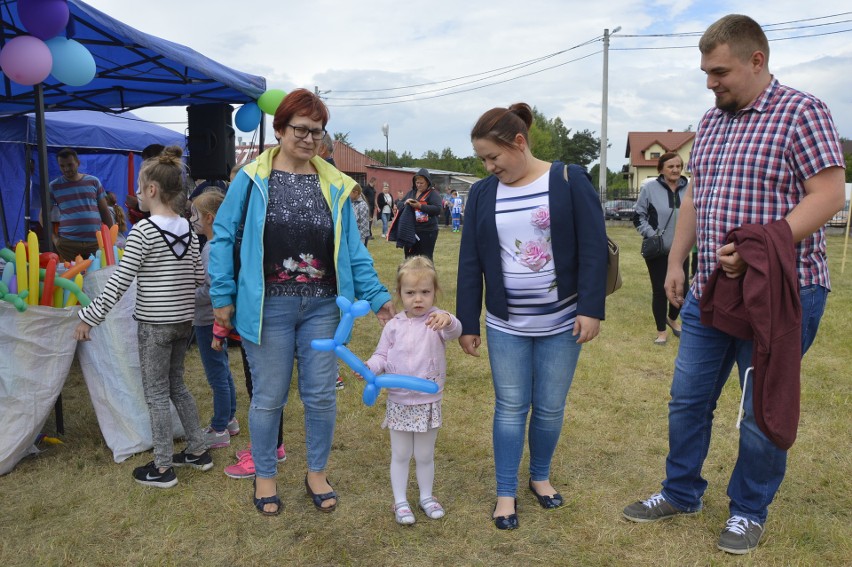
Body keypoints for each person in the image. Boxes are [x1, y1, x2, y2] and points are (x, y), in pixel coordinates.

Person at [622, 15, 846, 555]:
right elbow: (697, 199)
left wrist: (757, 246)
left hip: (780, 293)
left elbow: (829, 194)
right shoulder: (713, 120)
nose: (710, 82)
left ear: (756, 60)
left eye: (719, 71)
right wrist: (678, 263)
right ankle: (680, 492)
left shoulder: (802, 112)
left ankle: (748, 510)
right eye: (705, 72)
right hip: (708, 290)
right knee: (687, 399)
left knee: (759, 407)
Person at [208, 88, 394, 516]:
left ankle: (316, 472)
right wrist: (222, 294)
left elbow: (353, 252)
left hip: (323, 308)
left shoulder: (335, 184)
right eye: (301, 130)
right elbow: (222, 237)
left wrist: (378, 297)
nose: (310, 139)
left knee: (321, 397)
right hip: (266, 307)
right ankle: (266, 476)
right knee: (269, 397)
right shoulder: (250, 178)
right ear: (279, 129)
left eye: (318, 131)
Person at [457, 103, 608, 530]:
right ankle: (506, 492)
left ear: (519, 143)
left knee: (548, 408)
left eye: (493, 157)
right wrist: (469, 322)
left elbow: (594, 247)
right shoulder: (483, 193)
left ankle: (539, 476)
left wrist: (591, 309)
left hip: (562, 323)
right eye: (482, 159)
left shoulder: (568, 179)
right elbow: (471, 260)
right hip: (506, 325)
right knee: (510, 407)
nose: (488, 166)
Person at [72, 146, 211, 488]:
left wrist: (89, 317)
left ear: (152, 191)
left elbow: (119, 282)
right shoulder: (189, 232)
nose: (135, 195)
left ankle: (163, 467)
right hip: (183, 322)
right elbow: (197, 278)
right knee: (177, 385)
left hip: (155, 325)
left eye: (137, 189)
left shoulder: (144, 232)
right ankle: (197, 450)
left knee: (155, 393)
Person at [363, 256, 461, 525]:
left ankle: (426, 497)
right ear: (400, 294)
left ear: (435, 292)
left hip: (428, 401)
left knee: (425, 455)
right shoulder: (393, 325)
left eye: (425, 292)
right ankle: (401, 501)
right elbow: (381, 355)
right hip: (399, 401)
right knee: (402, 454)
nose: (418, 299)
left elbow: (455, 330)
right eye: (410, 293)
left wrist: (448, 319)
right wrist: (370, 367)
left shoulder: (436, 322)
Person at [190, 189, 239, 450]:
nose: (191, 219)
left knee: (216, 375)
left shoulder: (211, 249)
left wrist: (185, 292)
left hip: (209, 320)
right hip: (213, 320)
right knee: (223, 371)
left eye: (194, 215)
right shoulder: (217, 243)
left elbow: (211, 290)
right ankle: (229, 418)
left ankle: (219, 427)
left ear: (208, 217)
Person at [633, 152, 689, 345]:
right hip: (658, 251)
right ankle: (661, 331)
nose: (675, 170)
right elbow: (638, 216)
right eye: (670, 167)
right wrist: (652, 235)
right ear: (661, 169)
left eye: (678, 166)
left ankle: (673, 319)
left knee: (683, 289)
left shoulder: (690, 188)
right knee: (659, 290)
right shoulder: (649, 188)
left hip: (682, 249)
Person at [48, 148, 114, 261]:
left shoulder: (93, 181)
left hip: (95, 241)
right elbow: (43, 215)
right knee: (72, 276)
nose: (66, 169)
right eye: (62, 166)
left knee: (96, 274)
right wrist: (54, 239)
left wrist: (111, 238)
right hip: (68, 244)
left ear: (78, 163)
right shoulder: (54, 186)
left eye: (70, 164)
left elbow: (104, 211)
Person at [393, 168, 443, 260]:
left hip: (427, 232)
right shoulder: (411, 193)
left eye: (421, 183)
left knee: (425, 258)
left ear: (427, 182)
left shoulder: (433, 194)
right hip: (411, 230)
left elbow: (438, 209)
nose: (419, 185)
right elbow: (399, 204)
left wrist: (420, 206)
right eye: (417, 182)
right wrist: (405, 203)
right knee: (409, 258)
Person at [125, 144, 164, 227]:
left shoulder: (165, 179)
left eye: (146, 161)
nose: (144, 165)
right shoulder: (151, 178)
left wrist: (137, 204)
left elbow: (162, 208)